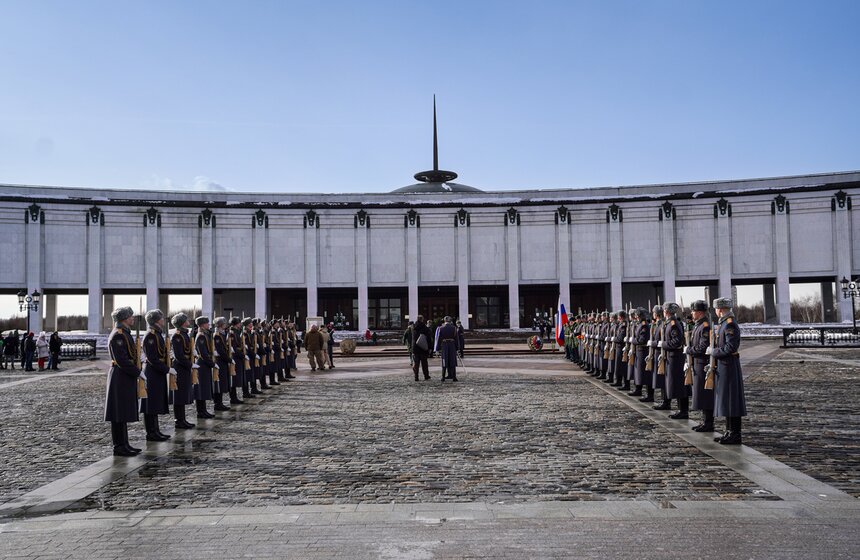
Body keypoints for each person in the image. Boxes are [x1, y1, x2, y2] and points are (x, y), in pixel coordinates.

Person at [708, 297, 747, 445]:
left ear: (720, 309)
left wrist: (714, 352)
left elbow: (731, 347)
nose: (715, 311)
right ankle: (729, 431)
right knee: (727, 400)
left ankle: (735, 433)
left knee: (732, 400)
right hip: (724, 366)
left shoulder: (730, 324)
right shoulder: (724, 323)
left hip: (729, 366)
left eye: (716, 309)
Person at [104, 306, 143, 456]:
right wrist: (137, 372)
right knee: (118, 412)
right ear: (124, 319)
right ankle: (119, 446)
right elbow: (122, 360)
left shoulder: (124, 333)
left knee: (122, 412)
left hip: (124, 375)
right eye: (130, 316)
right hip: (120, 375)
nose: (132, 318)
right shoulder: (118, 335)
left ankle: (125, 444)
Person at [140, 309, 171, 441]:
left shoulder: (157, 334)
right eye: (161, 318)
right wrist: (166, 369)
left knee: (155, 402)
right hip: (152, 371)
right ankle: (151, 432)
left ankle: (156, 430)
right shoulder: (150, 335)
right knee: (150, 404)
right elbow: (152, 358)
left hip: (157, 371)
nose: (163, 320)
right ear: (156, 321)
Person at [687, 300, 714, 432]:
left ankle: (708, 422)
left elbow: (703, 347)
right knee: (700, 394)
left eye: (693, 311)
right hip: (697, 363)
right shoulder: (699, 325)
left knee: (705, 394)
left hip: (703, 363)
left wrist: (689, 350)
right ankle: (705, 421)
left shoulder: (705, 326)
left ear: (700, 312)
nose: (692, 313)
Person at [660, 302, 689, 419]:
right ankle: (681, 409)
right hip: (671, 357)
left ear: (666, 311)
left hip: (675, 358)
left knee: (679, 384)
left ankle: (683, 410)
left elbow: (676, 342)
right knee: (675, 384)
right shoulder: (669, 323)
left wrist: (663, 344)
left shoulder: (673, 324)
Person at [170, 313, 195, 430]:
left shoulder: (184, 334)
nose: (188, 321)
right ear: (182, 322)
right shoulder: (177, 336)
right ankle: (178, 420)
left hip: (184, 367)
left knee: (183, 393)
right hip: (180, 367)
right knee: (179, 395)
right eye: (186, 320)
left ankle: (182, 419)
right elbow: (179, 355)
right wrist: (190, 364)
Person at [193, 316, 215, 419]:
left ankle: (203, 410)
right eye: (207, 323)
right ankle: (200, 411)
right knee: (201, 389)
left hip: (204, 364)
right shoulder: (201, 336)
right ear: (202, 325)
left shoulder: (205, 334)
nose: (208, 325)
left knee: (204, 388)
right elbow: (203, 353)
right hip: (202, 364)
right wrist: (212, 363)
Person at [212, 317, 232, 411]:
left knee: (222, 382)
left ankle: (220, 402)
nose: (225, 325)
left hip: (223, 361)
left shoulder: (223, 334)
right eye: (224, 323)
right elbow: (220, 350)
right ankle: (218, 403)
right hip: (220, 361)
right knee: (219, 383)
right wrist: (229, 359)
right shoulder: (217, 335)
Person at [228, 317, 246, 404]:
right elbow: (234, 347)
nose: (240, 324)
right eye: (239, 323)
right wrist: (241, 354)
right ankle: (233, 397)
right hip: (235, 357)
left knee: (236, 378)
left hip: (238, 357)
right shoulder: (232, 333)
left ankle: (234, 397)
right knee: (234, 378)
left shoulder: (237, 332)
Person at [438, 316, 459, 382]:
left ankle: (443, 377)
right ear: (450, 321)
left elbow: (439, 338)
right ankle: (454, 377)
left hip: (445, 345)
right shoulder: (454, 328)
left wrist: (438, 348)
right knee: (452, 361)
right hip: (452, 345)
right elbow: (456, 338)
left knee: (444, 360)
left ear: (444, 321)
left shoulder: (441, 328)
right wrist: (457, 348)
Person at [411, 315, 431, 381]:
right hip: (423, 348)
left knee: (416, 364)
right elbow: (428, 339)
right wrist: (430, 347)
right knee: (424, 363)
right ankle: (426, 376)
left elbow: (412, 338)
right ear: (422, 319)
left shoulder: (413, 327)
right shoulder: (425, 328)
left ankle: (416, 377)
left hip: (415, 348)